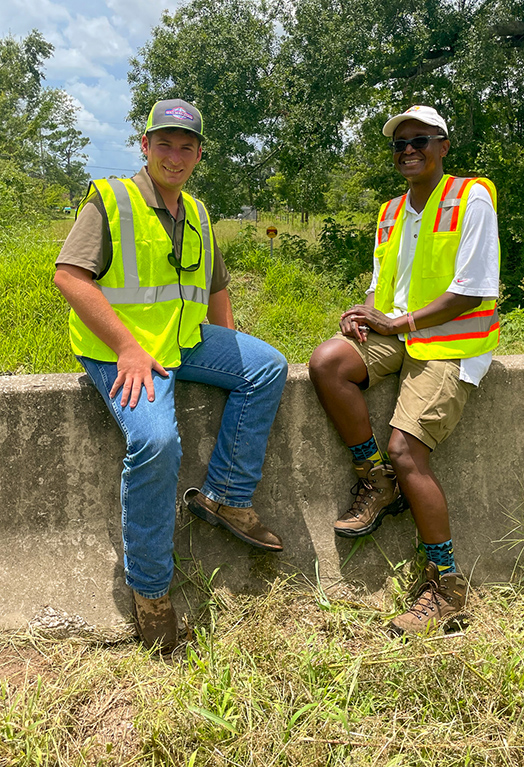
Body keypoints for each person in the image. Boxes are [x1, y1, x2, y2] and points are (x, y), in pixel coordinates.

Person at [54, 99, 288, 653]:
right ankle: (151, 592)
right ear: (145, 145)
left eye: (186, 146)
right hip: (122, 349)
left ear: (199, 153)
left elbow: (215, 289)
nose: (175, 155)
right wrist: (128, 347)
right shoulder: (111, 199)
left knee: (268, 366)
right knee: (156, 441)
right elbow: (70, 278)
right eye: (165, 143)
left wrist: (232, 345)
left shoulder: (200, 213)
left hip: (181, 341)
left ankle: (226, 495)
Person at [309, 105, 499, 636]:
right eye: (399, 144)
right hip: (401, 334)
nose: (408, 150)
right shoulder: (391, 211)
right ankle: (376, 481)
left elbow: (474, 290)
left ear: (443, 145)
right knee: (327, 362)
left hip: (450, 342)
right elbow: (380, 283)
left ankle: (447, 586)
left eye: (420, 140)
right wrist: (365, 313)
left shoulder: (470, 197)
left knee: (407, 449)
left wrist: (402, 321)